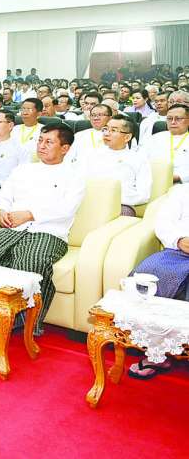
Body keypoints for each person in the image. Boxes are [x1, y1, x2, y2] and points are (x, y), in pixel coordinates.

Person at [0, 124, 85, 338]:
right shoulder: (24, 169)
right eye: (40, 141)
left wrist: (30, 214)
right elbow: (5, 196)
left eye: (49, 142)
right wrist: (1, 211)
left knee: (30, 263)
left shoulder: (74, 176)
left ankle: (12, 321)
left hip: (48, 233)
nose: (41, 146)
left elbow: (66, 209)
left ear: (65, 148)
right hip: (13, 228)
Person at [123, 184, 189, 378]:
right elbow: (164, 224)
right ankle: (156, 352)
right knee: (148, 274)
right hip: (179, 251)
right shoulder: (181, 191)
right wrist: (179, 240)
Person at [76, 114, 152, 216]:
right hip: (90, 201)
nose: (107, 133)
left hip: (121, 204)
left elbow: (144, 194)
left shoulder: (138, 159)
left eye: (113, 130)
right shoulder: (91, 154)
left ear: (127, 137)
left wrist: (112, 198)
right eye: (106, 129)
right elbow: (79, 180)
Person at [145, 103, 189, 185]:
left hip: (183, 185)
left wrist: (179, 177)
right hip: (154, 183)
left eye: (178, 119)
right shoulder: (154, 138)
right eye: (169, 118)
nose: (173, 122)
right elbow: (141, 161)